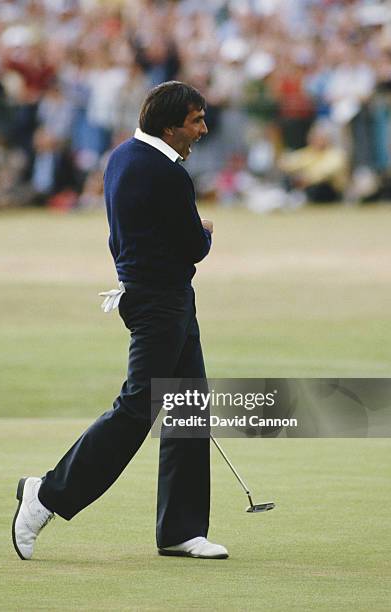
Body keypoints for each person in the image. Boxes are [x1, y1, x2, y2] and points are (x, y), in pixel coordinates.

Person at [12, 81, 229, 560]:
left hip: (161, 298)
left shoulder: (123, 156)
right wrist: (205, 231)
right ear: (170, 127)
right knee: (136, 408)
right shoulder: (168, 173)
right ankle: (46, 495)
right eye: (196, 120)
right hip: (159, 304)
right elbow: (193, 246)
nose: (203, 129)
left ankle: (180, 529)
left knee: (190, 407)